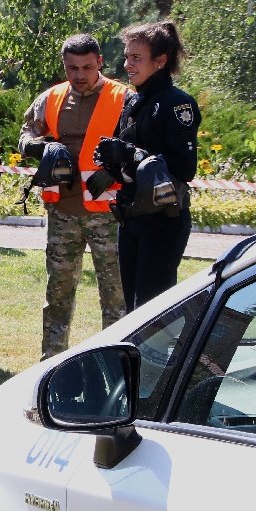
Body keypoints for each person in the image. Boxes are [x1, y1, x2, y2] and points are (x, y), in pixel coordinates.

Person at [18, 33, 129, 360]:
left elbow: (142, 146)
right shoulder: (51, 98)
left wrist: (117, 170)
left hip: (109, 215)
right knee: (57, 296)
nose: (79, 75)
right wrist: (38, 146)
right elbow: (26, 132)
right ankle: (50, 364)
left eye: (87, 67)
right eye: (72, 68)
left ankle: (115, 364)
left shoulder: (124, 98)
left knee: (116, 298)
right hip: (63, 213)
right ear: (64, 66)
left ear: (100, 63)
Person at [95, 21, 199, 311]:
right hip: (131, 218)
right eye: (127, 57)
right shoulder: (134, 101)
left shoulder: (176, 104)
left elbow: (184, 167)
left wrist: (133, 154)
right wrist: (111, 158)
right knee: (134, 313)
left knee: (153, 314)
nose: (127, 64)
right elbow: (125, 155)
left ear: (160, 61)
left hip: (162, 220)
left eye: (136, 58)